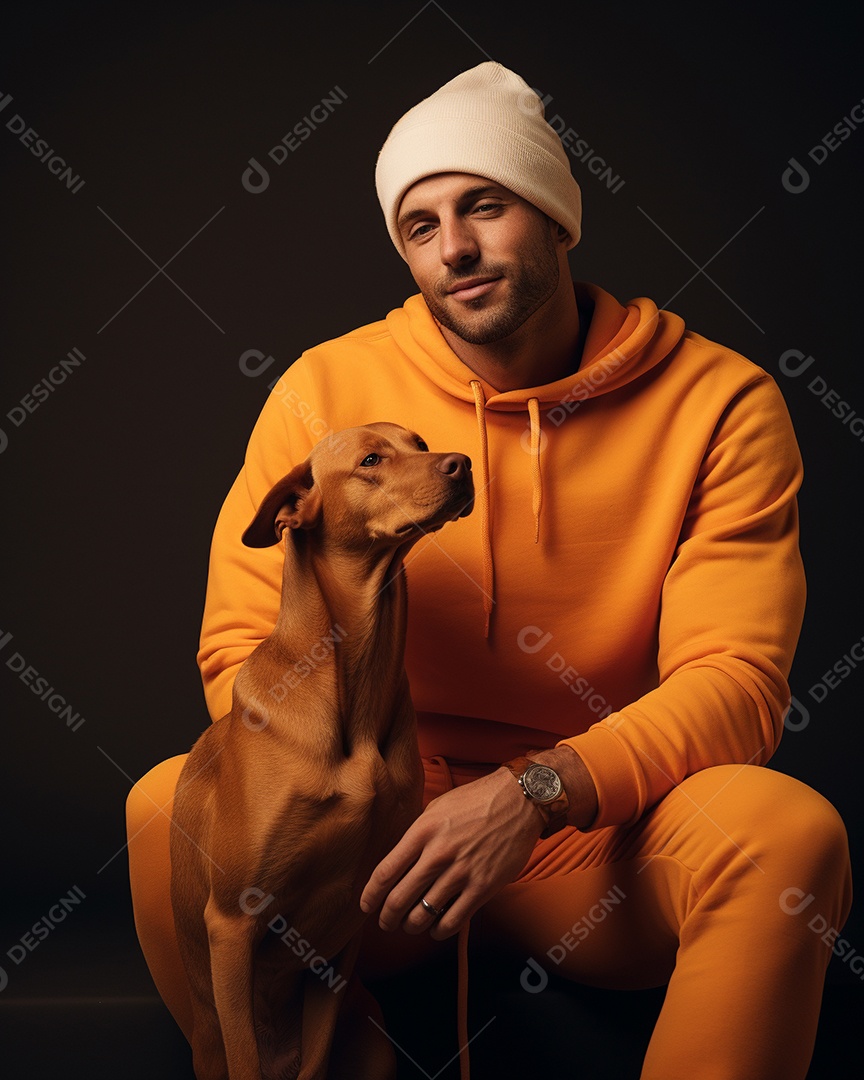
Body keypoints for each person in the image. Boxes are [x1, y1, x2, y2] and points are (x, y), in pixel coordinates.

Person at [126, 62, 852, 1078]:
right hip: (374, 854)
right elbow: (239, 652)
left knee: (789, 831)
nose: (455, 247)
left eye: (486, 206)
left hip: (596, 836)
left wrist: (537, 792)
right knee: (167, 807)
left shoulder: (721, 403)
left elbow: (736, 686)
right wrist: (366, 802)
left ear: (557, 218)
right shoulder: (327, 389)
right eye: (420, 226)